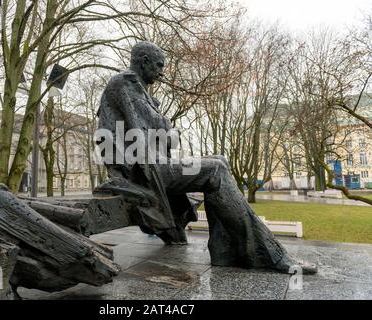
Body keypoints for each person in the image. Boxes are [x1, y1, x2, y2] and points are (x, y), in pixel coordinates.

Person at [96, 41, 316, 274]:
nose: (162, 72)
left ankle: (224, 251)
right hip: (143, 171)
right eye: (159, 66)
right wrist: (164, 129)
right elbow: (148, 132)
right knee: (215, 171)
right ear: (144, 61)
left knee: (220, 159)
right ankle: (269, 254)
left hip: (152, 163)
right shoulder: (125, 83)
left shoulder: (138, 90)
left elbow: (160, 134)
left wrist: (164, 131)